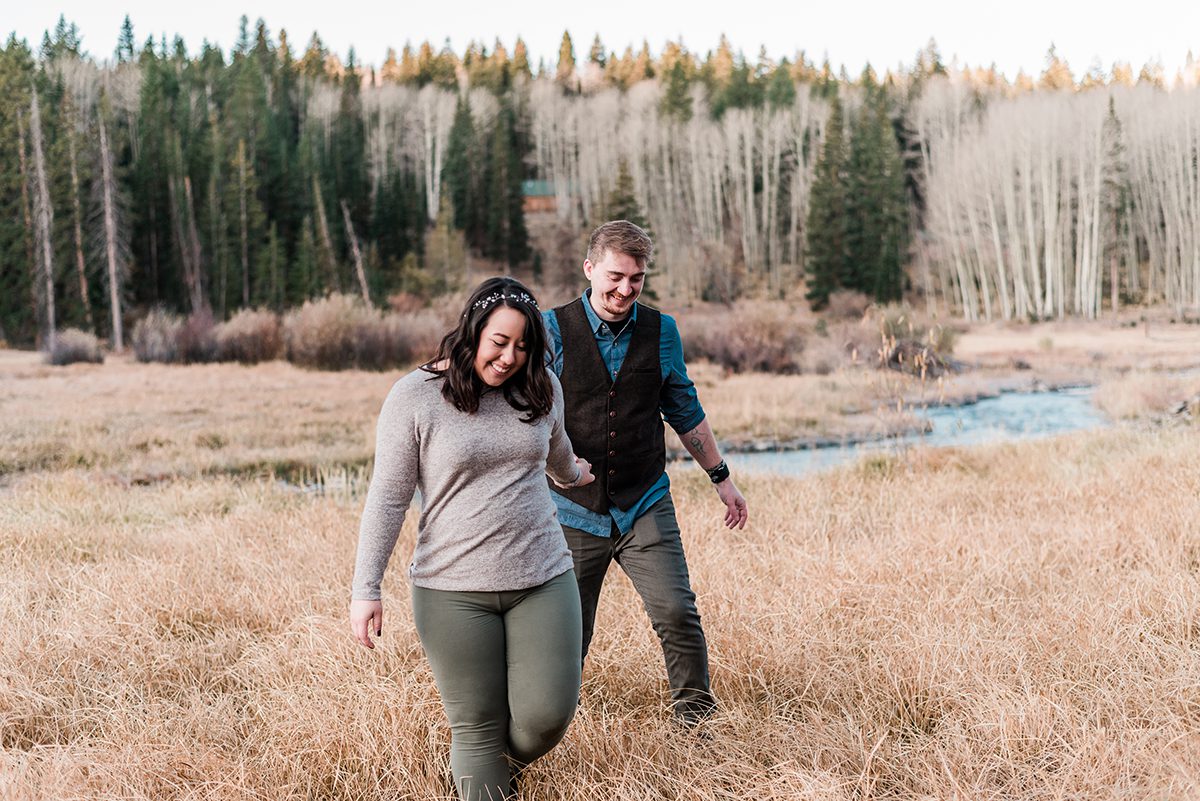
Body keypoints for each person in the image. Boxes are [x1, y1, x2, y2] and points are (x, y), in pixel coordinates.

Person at [350, 276, 594, 801]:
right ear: (472, 332)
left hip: (543, 577)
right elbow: (388, 498)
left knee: (547, 717)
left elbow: (557, 454)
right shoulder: (415, 397)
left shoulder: (542, 387)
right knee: (478, 728)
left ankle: (478, 765)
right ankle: (476, 767)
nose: (509, 357)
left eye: (523, 345)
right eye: (499, 342)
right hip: (452, 590)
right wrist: (365, 588)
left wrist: (574, 475)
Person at [543, 220, 749, 726]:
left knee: (678, 614)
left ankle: (696, 725)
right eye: (615, 276)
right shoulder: (550, 329)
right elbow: (523, 409)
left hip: (644, 501)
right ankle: (548, 729)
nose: (624, 289)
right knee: (568, 633)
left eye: (636, 279)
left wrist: (722, 478)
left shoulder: (662, 331)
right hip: (570, 508)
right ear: (589, 269)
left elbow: (683, 408)